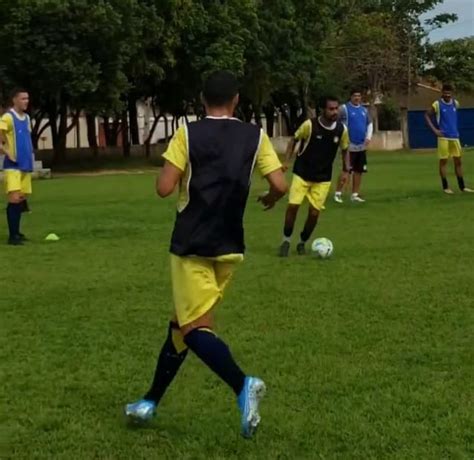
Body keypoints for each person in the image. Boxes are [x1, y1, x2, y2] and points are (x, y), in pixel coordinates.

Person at [125, 71, 288, 438]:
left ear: (202, 99)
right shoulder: (255, 135)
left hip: (191, 244)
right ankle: (149, 401)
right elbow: (279, 183)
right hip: (229, 246)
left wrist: (178, 171)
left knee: (193, 328)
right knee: (179, 327)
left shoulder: (187, 133)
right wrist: (271, 198)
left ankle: (243, 385)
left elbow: (164, 188)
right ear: (236, 101)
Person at [279, 96, 349, 257]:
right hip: (302, 173)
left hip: (323, 177)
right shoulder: (310, 125)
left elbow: (345, 149)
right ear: (323, 110)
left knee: (314, 213)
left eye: (336, 108)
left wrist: (346, 171)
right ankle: (286, 240)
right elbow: (293, 140)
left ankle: (302, 242)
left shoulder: (341, 130)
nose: (334, 112)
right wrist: (287, 161)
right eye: (331, 109)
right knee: (293, 207)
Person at [424, 84, 473, 194]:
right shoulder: (437, 104)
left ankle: (462, 186)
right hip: (443, 137)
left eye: (449, 93)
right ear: (442, 92)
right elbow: (427, 115)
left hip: (455, 137)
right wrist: (435, 131)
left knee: (458, 161)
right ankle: (446, 187)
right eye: (445, 93)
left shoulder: (456, 103)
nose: (447, 95)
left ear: (451, 93)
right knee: (443, 162)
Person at [0, 88, 34, 245]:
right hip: (12, 166)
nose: (26, 101)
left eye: (27, 98)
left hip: (25, 165)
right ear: (14, 100)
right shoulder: (8, 117)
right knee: (14, 199)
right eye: (22, 98)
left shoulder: (26, 118)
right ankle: (12, 236)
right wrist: (6, 151)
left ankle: (17, 233)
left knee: (20, 199)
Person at [334, 89, 373, 203]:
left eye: (359, 96)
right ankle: (338, 193)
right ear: (350, 97)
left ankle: (354, 194)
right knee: (346, 169)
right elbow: (334, 121)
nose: (357, 98)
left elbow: (369, 123)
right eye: (355, 95)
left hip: (361, 145)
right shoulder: (344, 109)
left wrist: (368, 137)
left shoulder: (364, 110)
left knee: (359, 170)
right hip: (349, 145)